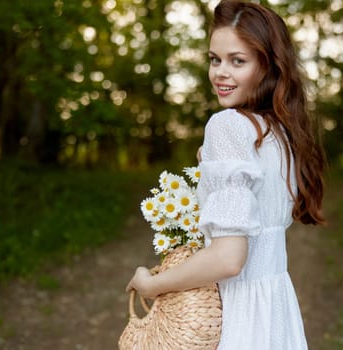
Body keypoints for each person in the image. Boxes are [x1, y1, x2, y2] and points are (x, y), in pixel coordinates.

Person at [127, 1, 325, 348]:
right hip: (275, 309)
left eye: (238, 61)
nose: (220, 73)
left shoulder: (228, 125)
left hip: (237, 315)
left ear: (268, 66)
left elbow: (229, 258)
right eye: (214, 59)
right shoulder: (281, 133)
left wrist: (152, 285)